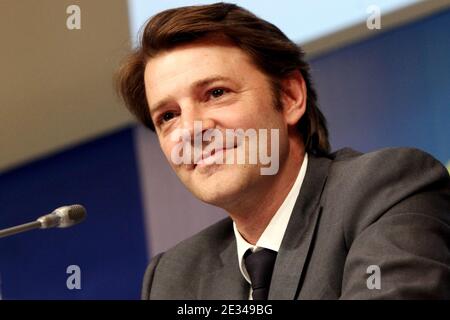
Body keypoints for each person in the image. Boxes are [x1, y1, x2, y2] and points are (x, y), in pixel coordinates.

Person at [116, 2, 450, 299]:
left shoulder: (385, 191)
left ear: (290, 97)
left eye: (216, 93)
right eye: (168, 116)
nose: (191, 130)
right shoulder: (174, 277)